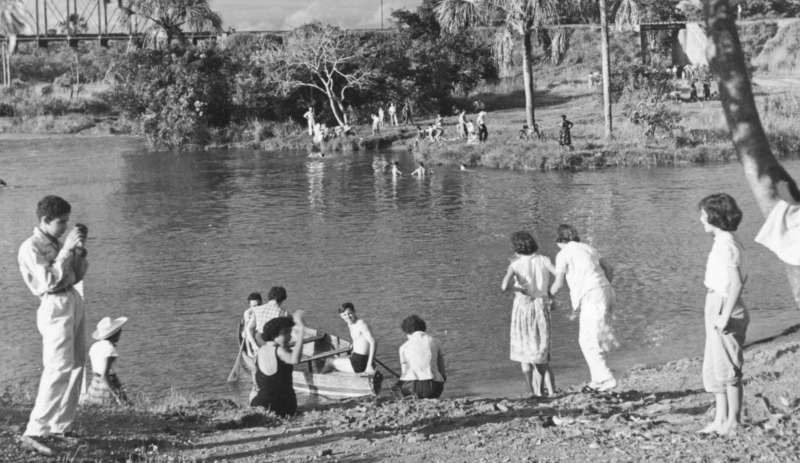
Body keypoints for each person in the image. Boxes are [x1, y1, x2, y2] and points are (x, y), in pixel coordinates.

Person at [19, 196, 89, 445]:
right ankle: (35, 430)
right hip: (54, 303)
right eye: (61, 222)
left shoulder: (57, 243)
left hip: (71, 298)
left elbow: (77, 275)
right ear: (45, 220)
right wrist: (67, 251)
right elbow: (48, 281)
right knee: (58, 367)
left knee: (77, 363)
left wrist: (78, 250)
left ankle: (60, 426)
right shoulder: (31, 247)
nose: (64, 227)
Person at [697, 194, 749, 435]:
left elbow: (737, 283)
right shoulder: (725, 241)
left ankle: (734, 422)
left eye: (704, 215)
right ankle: (720, 419)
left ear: (716, 216)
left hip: (724, 304)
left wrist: (724, 314)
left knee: (728, 367)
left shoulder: (726, 244)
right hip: (715, 301)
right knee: (715, 364)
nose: (701, 219)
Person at [549, 224, 617, 392]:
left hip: (592, 296)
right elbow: (609, 268)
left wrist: (548, 296)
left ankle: (606, 377)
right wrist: (604, 284)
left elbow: (558, 283)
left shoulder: (563, 254)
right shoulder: (589, 248)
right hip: (607, 291)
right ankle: (596, 380)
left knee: (587, 340)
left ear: (560, 240)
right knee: (597, 338)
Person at [501, 231, 556, 398]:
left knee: (524, 350)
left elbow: (504, 286)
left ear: (517, 249)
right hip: (541, 305)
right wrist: (551, 295)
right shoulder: (544, 260)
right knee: (541, 351)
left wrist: (518, 289)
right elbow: (560, 275)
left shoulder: (516, 265)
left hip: (523, 307)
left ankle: (531, 391)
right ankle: (552, 391)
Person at [250, 312, 306, 417]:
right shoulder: (280, 350)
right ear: (273, 335)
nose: (290, 336)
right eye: (286, 333)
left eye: (290, 332)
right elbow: (295, 359)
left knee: (253, 393)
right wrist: (302, 330)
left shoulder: (260, 350)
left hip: (261, 403)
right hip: (284, 407)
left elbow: (254, 371)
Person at [395, 315, 446, 399]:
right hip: (433, 389)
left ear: (407, 332)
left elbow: (404, 372)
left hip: (411, 389)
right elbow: (443, 372)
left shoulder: (403, 347)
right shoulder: (436, 342)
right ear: (423, 327)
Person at [82, 316, 129, 406]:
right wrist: (117, 397)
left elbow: (96, 370)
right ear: (116, 334)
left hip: (95, 383)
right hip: (108, 383)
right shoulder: (110, 349)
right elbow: (105, 375)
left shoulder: (94, 346)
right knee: (125, 406)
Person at [322, 303, 377, 375]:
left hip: (360, 363)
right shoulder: (350, 324)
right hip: (357, 358)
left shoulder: (361, 324)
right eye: (344, 315)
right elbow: (359, 338)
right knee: (337, 359)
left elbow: (374, 342)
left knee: (328, 361)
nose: (347, 317)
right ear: (341, 316)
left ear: (354, 312)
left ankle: (317, 382)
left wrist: (369, 365)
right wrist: (354, 344)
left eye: (349, 313)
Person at [244, 286, 289, 355]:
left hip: (261, 341)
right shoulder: (284, 312)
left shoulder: (256, 310)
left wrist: (253, 344)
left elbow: (248, 329)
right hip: (274, 343)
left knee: (256, 334)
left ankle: (253, 353)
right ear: (282, 300)